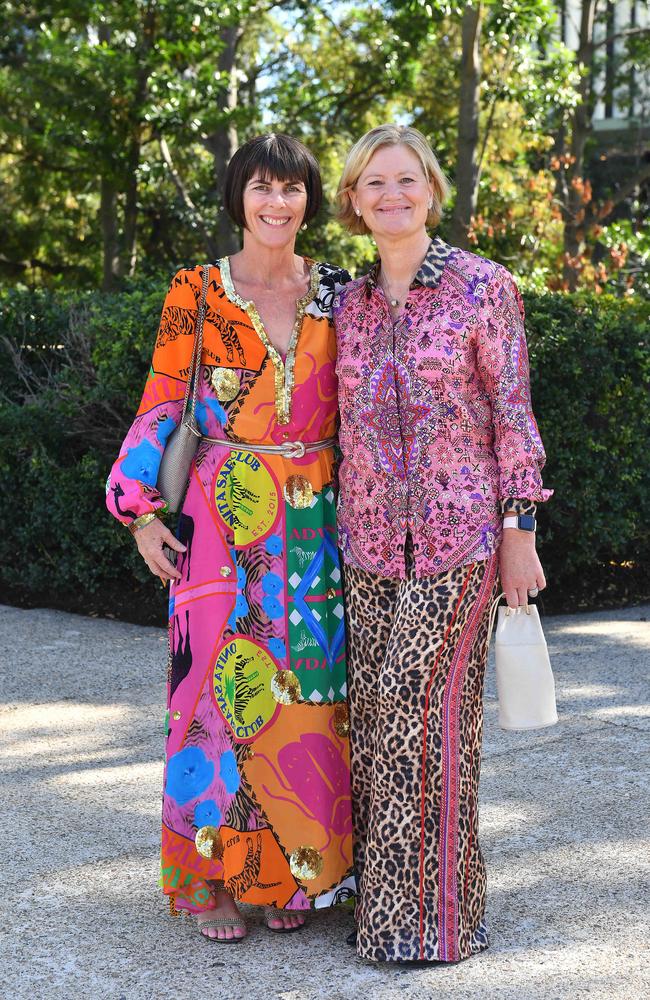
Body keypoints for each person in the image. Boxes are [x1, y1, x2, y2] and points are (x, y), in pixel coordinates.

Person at [106, 133, 355, 942]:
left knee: (305, 704)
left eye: (291, 189)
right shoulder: (197, 291)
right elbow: (160, 404)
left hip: (315, 526)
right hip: (218, 524)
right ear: (237, 198)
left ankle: (284, 876)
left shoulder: (338, 294)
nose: (276, 203)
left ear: (310, 200)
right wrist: (140, 511)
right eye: (261, 188)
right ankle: (209, 883)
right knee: (211, 702)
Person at [333, 124, 552, 963]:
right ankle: (385, 914)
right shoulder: (344, 305)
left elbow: (513, 413)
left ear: (431, 187)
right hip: (367, 545)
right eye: (373, 185)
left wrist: (519, 530)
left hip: (461, 542)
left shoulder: (482, 287)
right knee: (383, 717)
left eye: (405, 180)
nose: (391, 196)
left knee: (426, 715)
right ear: (353, 201)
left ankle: (442, 922)